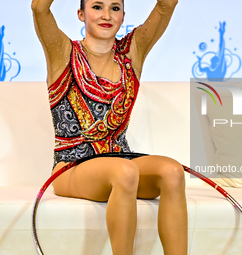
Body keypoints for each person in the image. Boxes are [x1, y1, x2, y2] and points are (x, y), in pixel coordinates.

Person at [31, 0, 187, 254]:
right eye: (97, 7)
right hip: (71, 165)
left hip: (119, 159)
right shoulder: (62, 52)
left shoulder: (132, 52)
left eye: (115, 8)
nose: (106, 15)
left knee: (172, 171)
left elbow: (165, 5)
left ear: (123, 15)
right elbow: (39, 8)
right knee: (125, 171)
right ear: (81, 14)